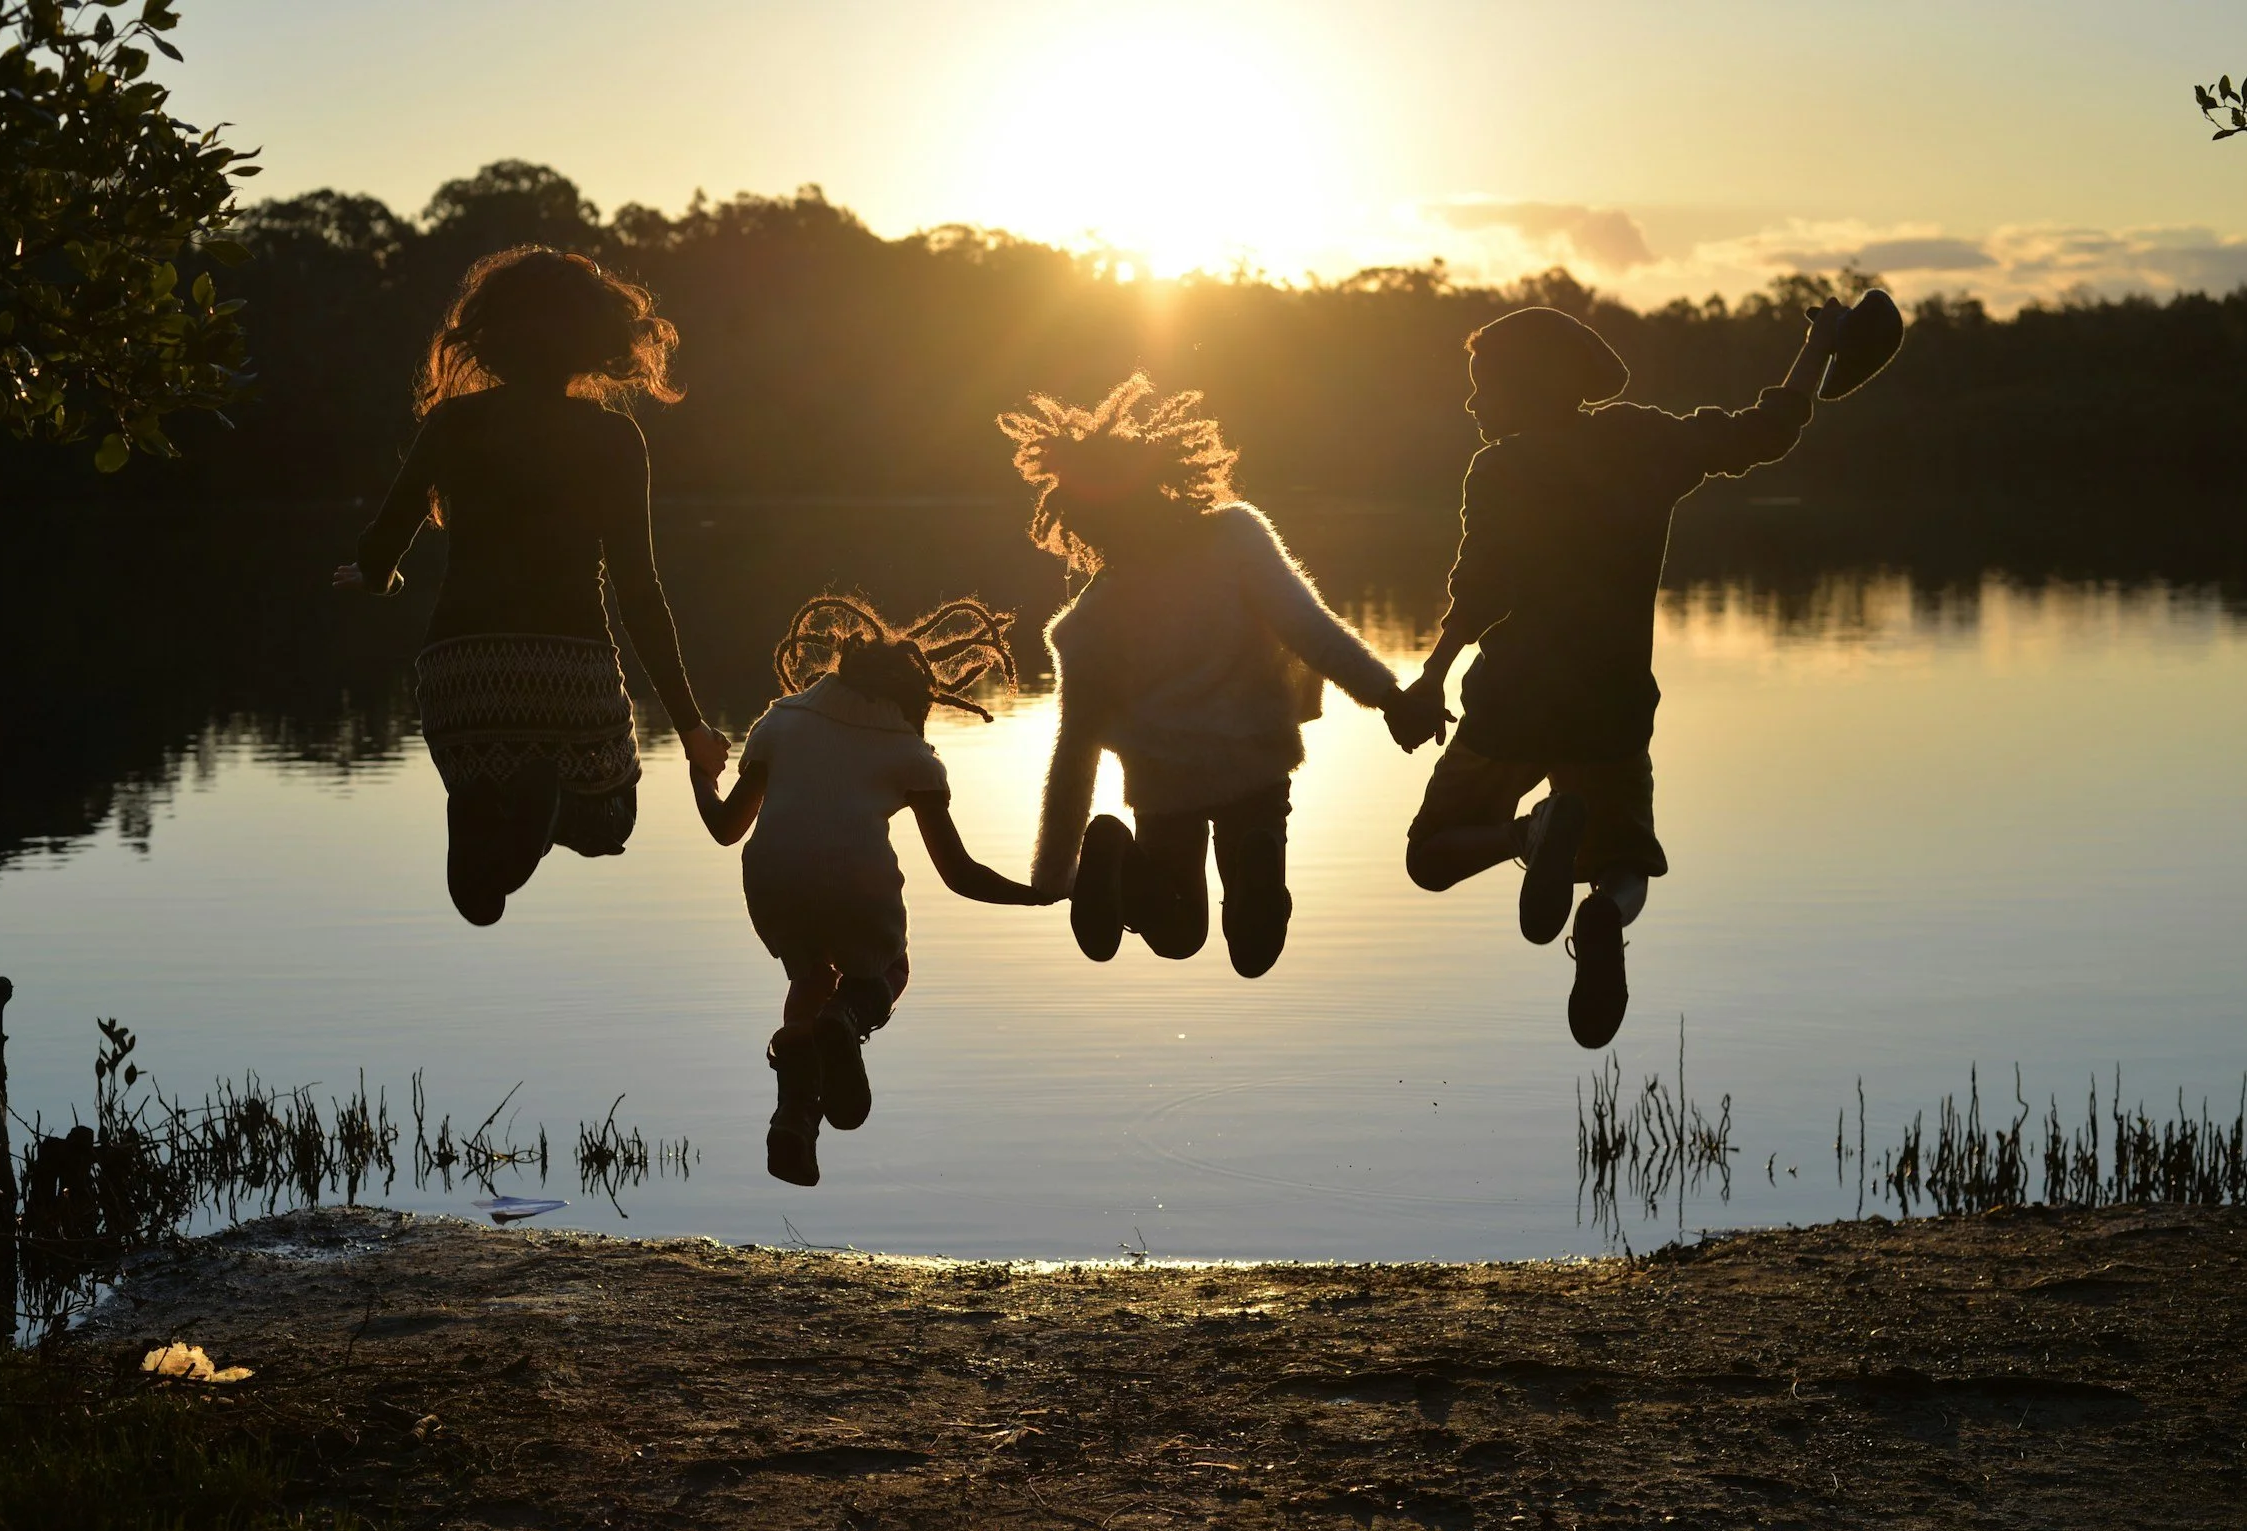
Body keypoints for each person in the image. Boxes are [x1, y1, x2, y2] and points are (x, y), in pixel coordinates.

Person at [1394, 300, 1848, 1048]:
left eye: (1485, 383)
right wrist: (1820, 345)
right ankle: (1602, 912)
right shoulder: (1644, 441)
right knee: (1626, 865)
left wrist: (1431, 678)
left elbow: (1480, 590)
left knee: (1429, 855)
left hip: (1513, 704)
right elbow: (1766, 430)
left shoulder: (1499, 468)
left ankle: (1530, 830)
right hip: (1609, 711)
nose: (1473, 400)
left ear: (1526, 385)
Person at [334, 247, 728, 926]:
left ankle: (500, 845)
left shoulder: (451, 424)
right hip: (568, 671)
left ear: (489, 335)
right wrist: (690, 727)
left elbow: (380, 548)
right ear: (596, 340)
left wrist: (380, 578)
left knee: (482, 823)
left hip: (462, 675)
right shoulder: (614, 439)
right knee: (612, 820)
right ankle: (542, 821)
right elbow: (640, 595)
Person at [1002, 372, 1412, 979]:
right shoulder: (1236, 535)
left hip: (1167, 781)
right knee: (1253, 951)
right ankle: (1256, 864)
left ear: (1080, 524)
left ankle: (1122, 863)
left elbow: (1075, 753)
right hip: (1257, 760)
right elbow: (1311, 629)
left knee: (1177, 936)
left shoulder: (1085, 624)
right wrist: (1391, 698)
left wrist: (1053, 872)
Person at [692, 595, 1054, 1187]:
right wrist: (1037, 895)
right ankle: (851, 1013)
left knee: (807, 978)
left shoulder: (779, 722)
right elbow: (959, 874)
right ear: (913, 699)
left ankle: (794, 1120)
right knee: (891, 969)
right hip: (856, 886)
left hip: (774, 881)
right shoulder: (910, 754)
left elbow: (725, 828)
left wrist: (700, 774)